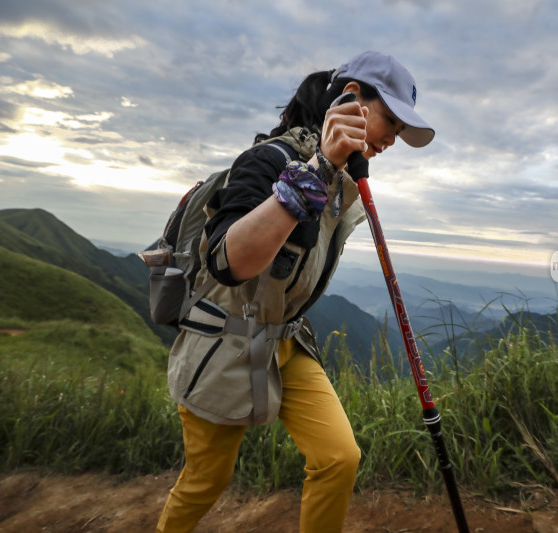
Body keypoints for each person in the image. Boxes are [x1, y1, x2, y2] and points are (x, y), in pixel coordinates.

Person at [156, 50, 434, 533]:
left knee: (338, 456)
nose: (393, 138)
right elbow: (229, 263)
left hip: (283, 339)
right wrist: (319, 167)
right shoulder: (268, 161)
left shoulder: (337, 177)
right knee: (207, 480)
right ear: (351, 99)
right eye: (390, 120)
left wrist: (328, 169)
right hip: (221, 340)